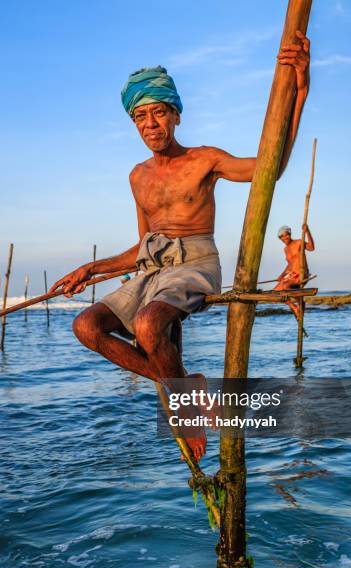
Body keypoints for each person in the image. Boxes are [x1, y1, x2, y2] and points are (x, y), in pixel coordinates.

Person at [51, 31, 311, 462]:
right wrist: (91, 269)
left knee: (151, 327)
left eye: (158, 113)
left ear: (176, 116)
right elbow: (142, 247)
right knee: (86, 327)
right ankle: (187, 386)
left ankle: (185, 408)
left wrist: (300, 91)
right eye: (140, 116)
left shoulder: (205, 159)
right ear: (133, 123)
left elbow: (273, 165)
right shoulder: (137, 176)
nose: (150, 124)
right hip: (153, 271)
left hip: (195, 263)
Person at [274, 223, 315, 318]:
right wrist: (281, 275)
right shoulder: (286, 249)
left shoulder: (298, 242)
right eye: (281, 237)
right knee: (275, 292)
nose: (284, 238)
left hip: (301, 274)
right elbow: (289, 264)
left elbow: (311, 248)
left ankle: (300, 301)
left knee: (285, 286)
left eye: (286, 235)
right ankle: (294, 307)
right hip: (291, 275)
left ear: (289, 234)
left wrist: (307, 231)